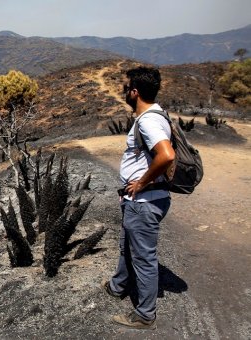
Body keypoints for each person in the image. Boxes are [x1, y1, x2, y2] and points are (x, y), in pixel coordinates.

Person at [102, 66, 175, 329]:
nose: (125, 92)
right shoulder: (156, 115)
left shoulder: (148, 120)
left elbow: (166, 155)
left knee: (144, 257)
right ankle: (118, 286)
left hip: (145, 202)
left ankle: (145, 314)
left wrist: (141, 183)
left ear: (135, 92)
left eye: (126, 89)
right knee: (126, 246)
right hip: (139, 201)